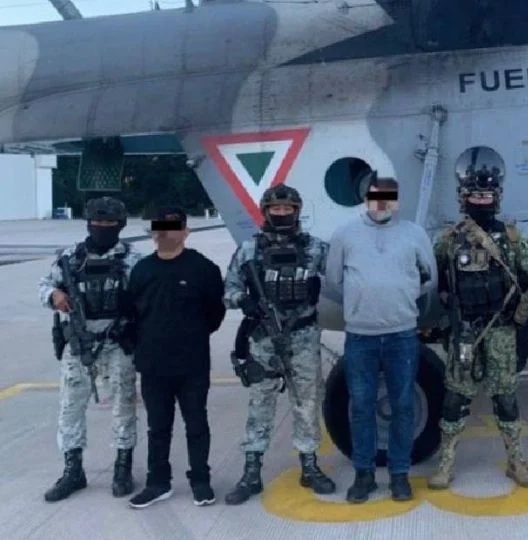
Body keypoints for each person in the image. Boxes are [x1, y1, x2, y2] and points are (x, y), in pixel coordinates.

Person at [428, 166, 528, 491]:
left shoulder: (511, 239)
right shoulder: (449, 240)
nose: (480, 201)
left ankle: (516, 461)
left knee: (505, 399)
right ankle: (446, 464)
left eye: (486, 195)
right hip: (465, 332)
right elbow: (431, 279)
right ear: (463, 198)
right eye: (474, 195)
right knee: (455, 398)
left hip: (501, 332)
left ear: (496, 198)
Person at [325, 174, 437, 503]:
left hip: (402, 334)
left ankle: (400, 475)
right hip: (361, 336)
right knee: (361, 407)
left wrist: (399, 297)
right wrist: (363, 301)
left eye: (389, 197)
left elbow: (429, 278)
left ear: (397, 201)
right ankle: (364, 475)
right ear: (367, 199)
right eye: (376, 196)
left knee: (403, 406)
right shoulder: (345, 234)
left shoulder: (415, 234)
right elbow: (334, 280)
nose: (382, 203)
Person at [222, 184, 335, 505]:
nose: (282, 214)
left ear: (297, 211)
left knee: (306, 401)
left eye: (287, 209)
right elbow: (228, 290)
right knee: (261, 402)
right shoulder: (249, 250)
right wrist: (244, 301)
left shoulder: (315, 248)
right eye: (276, 209)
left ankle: (309, 465)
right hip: (263, 339)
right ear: (266, 211)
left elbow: (341, 277)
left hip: (303, 336)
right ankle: (252, 471)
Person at [38, 197, 143, 502]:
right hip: (79, 343)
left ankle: (123, 467)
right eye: (97, 222)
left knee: (123, 405)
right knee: (70, 406)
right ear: (88, 223)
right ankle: (73, 470)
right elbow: (43, 285)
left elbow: (146, 296)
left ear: (120, 225)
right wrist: (54, 295)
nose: (102, 227)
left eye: (109, 223)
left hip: (117, 342)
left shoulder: (132, 260)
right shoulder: (70, 259)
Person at [123, 206, 226, 508]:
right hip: (153, 365)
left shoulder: (204, 269)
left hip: (192, 363)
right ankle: (158, 482)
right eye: (160, 228)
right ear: (153, 233)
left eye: (172, 227)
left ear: (185, 232)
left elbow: (215, 314)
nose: (165, 233)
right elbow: (130, 313)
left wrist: (191, 336)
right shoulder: (141, 271)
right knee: (158, 427)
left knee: (196, 424)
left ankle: (201, 481)